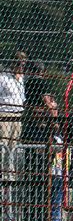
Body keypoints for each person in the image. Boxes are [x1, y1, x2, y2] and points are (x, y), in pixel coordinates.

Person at [0, 51, 26, 184]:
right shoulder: (4, 77)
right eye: (18, 64)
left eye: (23, 65)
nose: (21, 67)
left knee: (13, 144)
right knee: (3, 143)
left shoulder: (21, 77)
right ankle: (2, 172)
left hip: (18, 114)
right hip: (5, 113)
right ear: (12, 63)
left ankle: (9, 171)